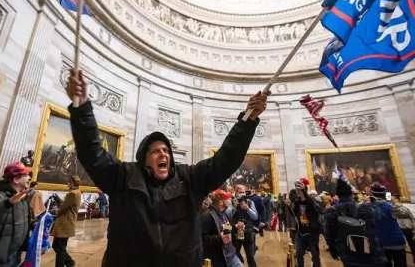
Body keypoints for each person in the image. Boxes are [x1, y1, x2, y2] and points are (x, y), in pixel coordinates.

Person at [66, 69, 270, 267]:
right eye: (155, 151)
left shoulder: (190, 179)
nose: (163, 154)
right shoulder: (124, 177)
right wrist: (82, 108)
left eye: (166, 150)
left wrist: (248, 120)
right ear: (144, 159)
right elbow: (92, 153)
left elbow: (226, 158)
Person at [324, 174, 387, 267]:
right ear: (351, 194)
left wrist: (333, 250)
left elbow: (329, 235)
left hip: (348, 252)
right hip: (371, 253)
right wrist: (371, 203)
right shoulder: (363, 207)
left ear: (338, 195)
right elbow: (380, 216)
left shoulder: (331, 211)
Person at [371, 183, 409, 267]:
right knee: (401, 264)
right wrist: (395, 203)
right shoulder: (390, 207)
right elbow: (406, 213)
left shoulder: (370, 208)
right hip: (396, 242)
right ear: (385, 194)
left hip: (381, 242)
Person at [202, 189, 243, 267]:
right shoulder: (207, 216)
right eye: (227, 199)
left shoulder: (225, 213)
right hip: (220, 260)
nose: (229, 201)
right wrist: (220, 239)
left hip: (233, 256)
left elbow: (227, 229)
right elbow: (201, 238)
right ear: (220, 202)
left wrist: (236, 227)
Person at [50, 175, 82, 267]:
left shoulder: (72, 193)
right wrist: (57, 199)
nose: (67, 185)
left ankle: (66, 263)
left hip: (64, 223)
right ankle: (69, 261)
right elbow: (65, 204)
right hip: (67, 223)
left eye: (68, 183)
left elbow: (63, 208)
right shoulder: (77, 192)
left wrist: (54, 214)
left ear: (71, 183)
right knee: (58, 246)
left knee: (59, 248)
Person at [292, 178, 322, 267]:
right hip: (300, 232)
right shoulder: (297, 201)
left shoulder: (312, 200)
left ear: (304, 190)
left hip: (311, 232)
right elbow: (294, 213)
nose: (298, 192)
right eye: (297, 190)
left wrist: (304, 192)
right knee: (299, 254)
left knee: (315, 256)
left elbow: (316, 212)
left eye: (299, 190)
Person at [227, 185, 258, 267]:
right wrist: (234, 206)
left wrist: (248, 209)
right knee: (235, 254)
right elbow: (227, 215)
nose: (242, 194)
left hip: (248, 232)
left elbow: (255, 217)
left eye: (243, 192)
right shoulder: (231, 202)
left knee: (251, 257)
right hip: (237, 232)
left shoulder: (250, 202)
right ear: (236, 193)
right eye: (240, 192)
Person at [392, 196, 415, 264]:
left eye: (393, 198)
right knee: (401, 245)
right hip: (399, 229)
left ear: (397, 199)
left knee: (412, 244)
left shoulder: (404, 208)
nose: (392, 199)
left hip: (408, 228)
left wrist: (413, 229)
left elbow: (411, 217)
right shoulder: (392, 208)